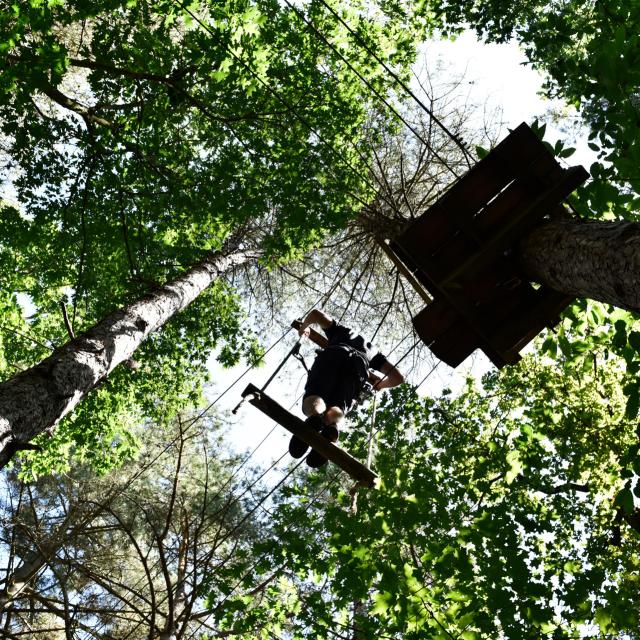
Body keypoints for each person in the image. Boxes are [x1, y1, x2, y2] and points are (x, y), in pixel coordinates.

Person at [290, 309, 404, 467]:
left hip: (334, 355)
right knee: (338, 406)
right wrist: (380, 384)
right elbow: (398, 378)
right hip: (358, 370)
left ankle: (315, 417)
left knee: (315, 395)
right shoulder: (375, 354)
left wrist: (304, 328)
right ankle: (331, 426)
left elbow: (316, 314)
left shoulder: (342, 331)